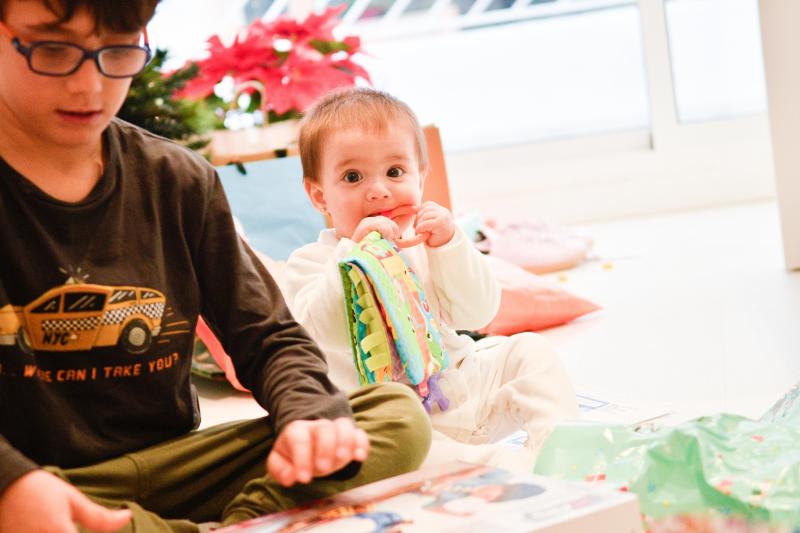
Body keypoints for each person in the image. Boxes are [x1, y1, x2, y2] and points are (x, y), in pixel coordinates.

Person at [0, 2, 431, 531]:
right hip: (35, 483)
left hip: (177, 464)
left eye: (118, 48)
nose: (90, 86)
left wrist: (309, 416)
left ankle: (230, 525)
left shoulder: (177, 180)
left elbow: (269, 337)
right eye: (53, 49)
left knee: (393, 416)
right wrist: (13, 483)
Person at [284, 87, 579, 472]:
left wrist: (452, 246)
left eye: (394, 172)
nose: (378, 190)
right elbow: (324, 331)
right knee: (381, 450)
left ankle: (560, 450)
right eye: (353, 176)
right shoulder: (311, 263)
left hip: (467, 389)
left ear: (420, 178)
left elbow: (478, 312)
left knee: (528, 352)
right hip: (402, 425)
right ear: (320, 196)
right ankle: (511, 468)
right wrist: (353, 255)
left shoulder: (429, 245)